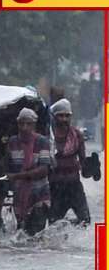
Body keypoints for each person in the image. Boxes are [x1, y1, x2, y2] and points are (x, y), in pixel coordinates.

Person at [6, 108, 52, 236]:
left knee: (35, 235)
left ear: (34, 125)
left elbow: (43, 170)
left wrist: (17, 176)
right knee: (22, 233)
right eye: (21, 123)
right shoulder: (12, 142)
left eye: (28, 124)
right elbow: (7, 166)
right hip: (20, 195)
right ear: (18, 124)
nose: (24, 127)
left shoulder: (42, 141)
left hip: (39, 195)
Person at [48, 99, 90, 225]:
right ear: (54, 117)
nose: (64, 119)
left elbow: (83, 166)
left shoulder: (77, 135)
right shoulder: (48, 136)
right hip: (55, 186)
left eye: (67, 116)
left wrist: (91, 168)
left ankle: (67, 228)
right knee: (53, 223)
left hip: (74, 185)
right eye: (60, 115)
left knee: (85, 220)